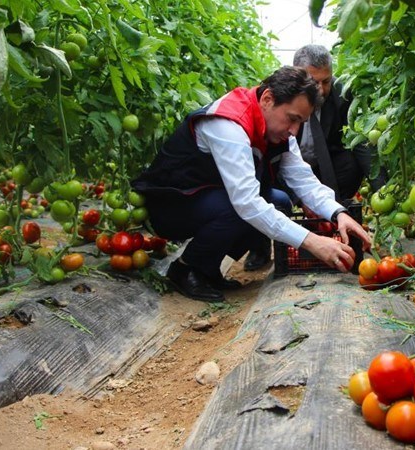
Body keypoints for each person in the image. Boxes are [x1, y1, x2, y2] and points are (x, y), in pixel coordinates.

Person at [131, 66, 372, 302]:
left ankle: (208, 266)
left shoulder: (279, 129)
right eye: (292, 119)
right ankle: (185, 268)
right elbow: (246, 203)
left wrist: (337, 212)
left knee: (279, 201)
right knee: (240, 209)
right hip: (170, 206)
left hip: (207, 199)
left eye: (301, 123)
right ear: (267, 98)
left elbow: (303, 180)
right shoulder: (228, 124)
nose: (294, 130)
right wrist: (312, 241)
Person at [243, 44, 384, 271]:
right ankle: (259, 247)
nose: (319, 88)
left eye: (325, 81)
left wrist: (380, 190)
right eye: (313, 81)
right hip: (281, 166)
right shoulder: (280, 98)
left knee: (350, 162)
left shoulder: (342, 96)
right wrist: (299, 199)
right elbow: (279, 167)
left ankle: (335, 226)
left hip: (324, 164)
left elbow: (362, 144)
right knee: (271, 195)